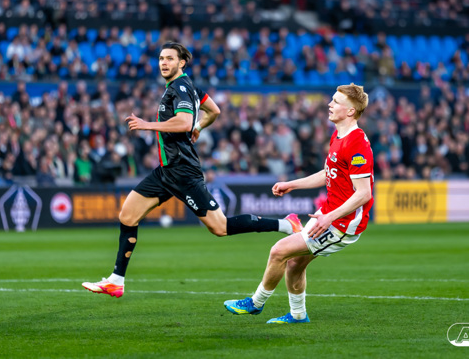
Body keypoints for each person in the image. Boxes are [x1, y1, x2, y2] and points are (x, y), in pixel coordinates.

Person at [82, 42, 302, 298]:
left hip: (183, 171)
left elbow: (184, 122)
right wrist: (199, 127)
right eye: (161, 59)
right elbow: (214, 111)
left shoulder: (181, 87)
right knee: (127, 216)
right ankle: (116, 281)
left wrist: (148, 125)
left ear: (181, 63)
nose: (164, 63)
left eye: (169, 59)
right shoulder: (189, 87)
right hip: (166, 171)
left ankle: (286, 225)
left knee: (220, 227)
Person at [223, 83, 373, 324]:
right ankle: (298, 315)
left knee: (279, 251)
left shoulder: (356, 143)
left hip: (342, 224)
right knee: (294, 263)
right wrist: (292, 184)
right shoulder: (338, 135)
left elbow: (364, 193)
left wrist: (329, 217)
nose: (330, 104)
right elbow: (329, 173)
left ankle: (255, 303)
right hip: (329, 214)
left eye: (336, 102)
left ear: (350, 111)